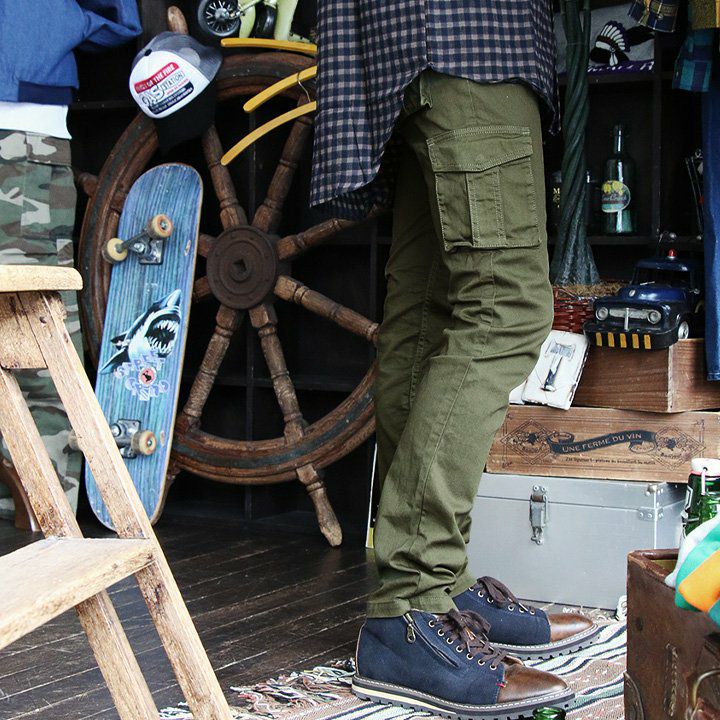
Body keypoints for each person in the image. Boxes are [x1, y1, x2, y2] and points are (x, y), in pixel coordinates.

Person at [309, 2, 603, 717]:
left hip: (415, 41)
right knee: (507, 309)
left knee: (431, 314)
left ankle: (434, 590)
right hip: (470, 35)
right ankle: (412, 597)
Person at [0, 0, 142, 517]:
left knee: (34, 327)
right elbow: (116, 18)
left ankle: (33, 514)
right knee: (37, 330)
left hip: (21, 111)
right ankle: (40, 515)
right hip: (23, 112)